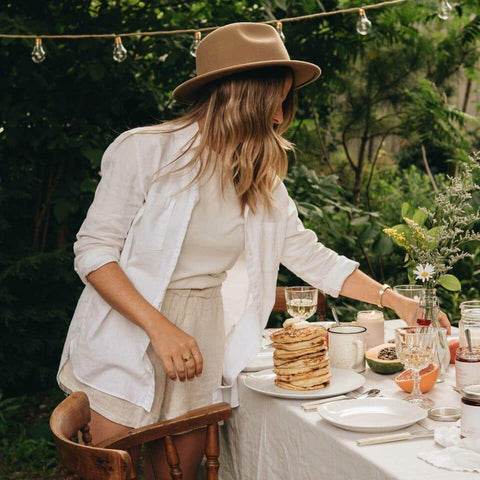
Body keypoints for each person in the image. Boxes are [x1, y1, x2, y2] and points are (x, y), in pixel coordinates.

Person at [56, 22, 450, 479]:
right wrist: (159, 328)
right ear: (240, 95)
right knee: (111, 473)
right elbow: (93, 252)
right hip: (126, 331)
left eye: (285, 101)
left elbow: (310, 255)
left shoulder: (261, 177)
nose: (281, 116)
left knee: (177, 475)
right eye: (274, 101)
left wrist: (395, 299)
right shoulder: (144, 151)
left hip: (203, 330)